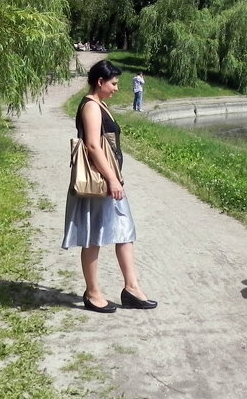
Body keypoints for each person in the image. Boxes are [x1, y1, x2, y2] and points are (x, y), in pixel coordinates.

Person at [62, 60, 157, 313]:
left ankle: (132, 288)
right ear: (100, 82)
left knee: (125, 232)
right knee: (94, 236)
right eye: (113, 83)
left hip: (110, 181)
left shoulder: (100, 105)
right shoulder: (91, 107)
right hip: (99, 182)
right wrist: (112, 180)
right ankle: (92, 293)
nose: (116, 88)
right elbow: (92, 146)